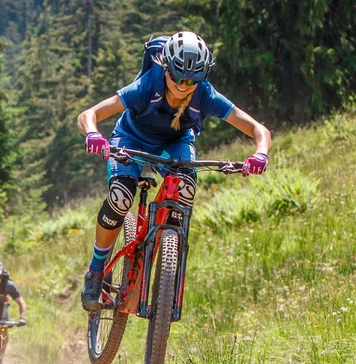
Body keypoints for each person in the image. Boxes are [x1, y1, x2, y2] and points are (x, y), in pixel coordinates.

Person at [77, 31, 272, 311]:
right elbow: (88, 115)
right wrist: (93, 134)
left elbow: (258, 129)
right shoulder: (146, 86)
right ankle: (96, 270)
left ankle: (166, 256)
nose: (183, 86)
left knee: (185, 190)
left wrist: (260, 153)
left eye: (192, 81)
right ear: (165, 68)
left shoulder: (206, 95)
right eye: (177, 78)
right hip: (131, 139)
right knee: (121, 197)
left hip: (175, 143)